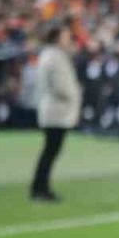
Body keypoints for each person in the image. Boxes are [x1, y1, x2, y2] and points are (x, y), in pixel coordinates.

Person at [30, 24, 81, 202]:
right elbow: (60, 86)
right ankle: (40, 188)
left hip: (52, 109)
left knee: (50, 151)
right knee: (50, 151)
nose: (68, 40)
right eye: (65, 36)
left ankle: (40, 187)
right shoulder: (55, 57)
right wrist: (74, 94)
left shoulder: (49, 55)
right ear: (57, 38)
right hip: (56, 111)